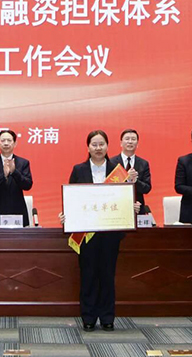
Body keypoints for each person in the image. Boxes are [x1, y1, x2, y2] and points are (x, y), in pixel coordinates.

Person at [58, 130, 140, 332]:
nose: (98, 148)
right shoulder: (79, 169)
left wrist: (132, 207)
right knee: (88, 274)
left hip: (110, 232)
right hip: (86, 233)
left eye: (101, 144)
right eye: (94, 144)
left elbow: (123, 200)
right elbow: (72, 197)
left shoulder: (117, 171)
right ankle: (88, 316)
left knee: (107, 275)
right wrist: (66, 215)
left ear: (107, 146)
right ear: (88, 147)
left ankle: (107, 317)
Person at [0, 129, 33, 227]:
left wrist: (14, 172)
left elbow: (28, 185)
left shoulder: (23, 162)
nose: (6, 143)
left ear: (15, 143)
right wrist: (3, 176)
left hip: (18, 210)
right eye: (3, 140)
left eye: (9, 140)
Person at [110, 128, 152, 207]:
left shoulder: (143, 163)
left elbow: (147, 189)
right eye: (127, 139)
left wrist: (135, 181)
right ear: (121, 143)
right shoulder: (111, 163)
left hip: (138, 207)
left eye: (133, 139)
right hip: (117, 206)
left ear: (137, 144)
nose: (130, 142)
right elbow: (109, 187)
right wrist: (125, 177)